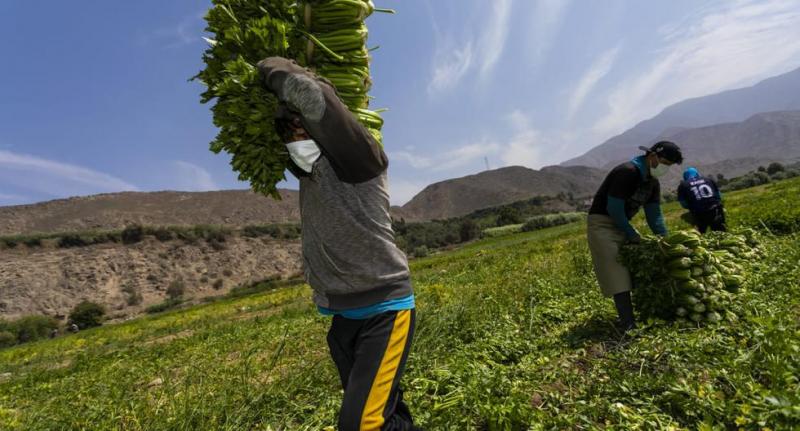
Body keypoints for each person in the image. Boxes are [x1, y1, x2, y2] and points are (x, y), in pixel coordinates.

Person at [257, 57, 418, 431]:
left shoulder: (361, 161)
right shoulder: (310, 176)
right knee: (386, 413)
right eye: (289, 133)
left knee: (360, 424)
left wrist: (273, 68)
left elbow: (313, 97)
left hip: (383, 308)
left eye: (302, 129)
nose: (296, 137)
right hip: (343, 319)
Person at [586, 141, 683, 331]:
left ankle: (646, 314)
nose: (664, 168)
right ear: (652, 156)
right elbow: (613, 208)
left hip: (622, 224)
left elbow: (655, 216)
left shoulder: (652, 183)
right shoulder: (627, 172)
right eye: (664, 162)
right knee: (616, 271)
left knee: (637, 269)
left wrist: (665, 240)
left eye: (668, 166)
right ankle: (627, 324)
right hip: (603, 224)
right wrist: (631, 233)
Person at [677, 167, 726, 233]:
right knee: (720, 233)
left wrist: (692, 207)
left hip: (699, 213)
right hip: (716, 209)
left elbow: (683, 204)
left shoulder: (683, 185)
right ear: (697, 173)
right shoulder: (709, 179)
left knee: (701, 234)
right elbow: (719, 196)